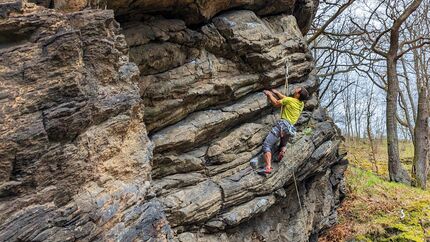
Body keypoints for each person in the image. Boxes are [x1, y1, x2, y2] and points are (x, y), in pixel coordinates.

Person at [260, 87, 309, 174]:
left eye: (298, 89)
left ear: (298, 94)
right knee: (283, 143)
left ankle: (268, 167)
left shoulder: (290, 100)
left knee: (266, 145)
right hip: (290, 129)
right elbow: (286, 99)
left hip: (282, 126)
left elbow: (276, 103)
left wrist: (269, 94)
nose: (296, 88)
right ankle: (282, 150)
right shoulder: (301, 105)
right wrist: (277, 93)